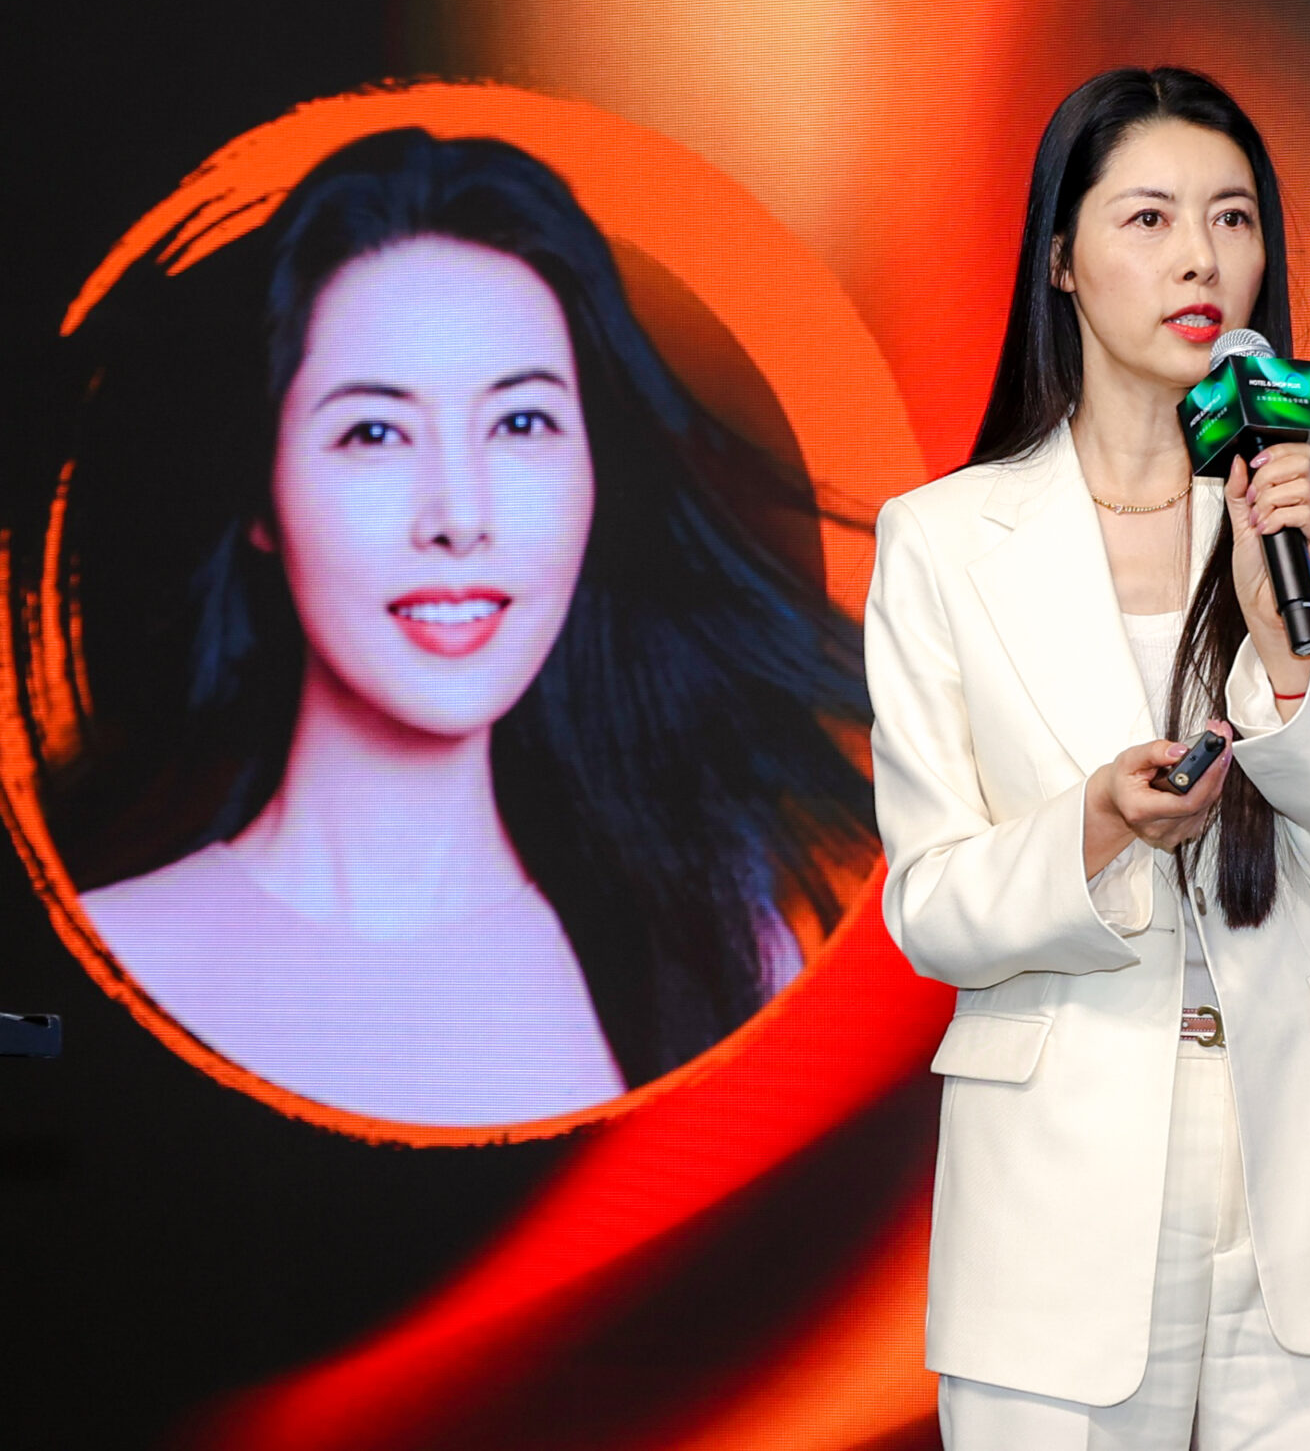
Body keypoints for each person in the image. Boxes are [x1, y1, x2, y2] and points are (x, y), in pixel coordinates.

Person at [17, 128, 873, 1127]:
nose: (460, 516)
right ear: (261, 494)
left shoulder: (726, 962)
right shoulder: (101, 966)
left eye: (521, 423)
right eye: (374, 432)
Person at [867, 67, 1310, 1449]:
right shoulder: (943, 538)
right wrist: (1093, 823)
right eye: (1148, 217)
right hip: (1057, 1179)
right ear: (1061, 260)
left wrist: (1284, 655)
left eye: (1233, 217)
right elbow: (932, 904)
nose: (1200, 256)